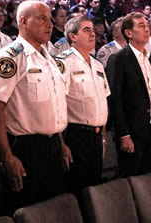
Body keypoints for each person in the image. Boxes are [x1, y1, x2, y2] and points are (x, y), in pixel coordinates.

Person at [0, 0, 69, 216]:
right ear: (23, 21)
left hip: (52, 144)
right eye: (42, 18)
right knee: (22, 210)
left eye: (51, 19)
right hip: (25, 148)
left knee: (49, 210)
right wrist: (6, 156)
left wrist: (60, 142)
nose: (50, 24)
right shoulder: (10, 57)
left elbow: (53, 107)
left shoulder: (50, 59)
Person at [107, 12, 151, 177]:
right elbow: (115, 100)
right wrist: (123, 134)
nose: (147, 29)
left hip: (150, 129)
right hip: (131, 130)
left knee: (145, 176)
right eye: (141, 26)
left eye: (147, 26)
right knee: (128, 177)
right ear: (128, 33)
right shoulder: (119, 59)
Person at [54, 15, 110, 194]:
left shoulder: (97, 65)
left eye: (93, 30)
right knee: (77, 189)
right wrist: (61, 143)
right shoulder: (63, 61)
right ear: (73, 36)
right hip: (75, 136)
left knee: (94, 190)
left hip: (95, 136)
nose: (93, 34)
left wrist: (101, 136)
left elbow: (103, 102)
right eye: (87, 30)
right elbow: (57, 103)